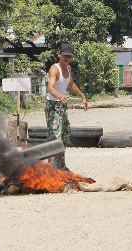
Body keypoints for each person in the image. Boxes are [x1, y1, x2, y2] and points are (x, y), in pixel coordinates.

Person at [45, 43, 89, 171]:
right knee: (54, 136)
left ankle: (61, 166)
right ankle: (52, 168)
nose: (67, 58)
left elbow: (70, 83)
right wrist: (59, 96)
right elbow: (50, 88)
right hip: (53, 105)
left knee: (64, 135)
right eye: (65, 56)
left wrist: (82, 96)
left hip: (62, 105)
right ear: (59, 55)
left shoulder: (68, 68)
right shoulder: (54, 69)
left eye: (69, 56)